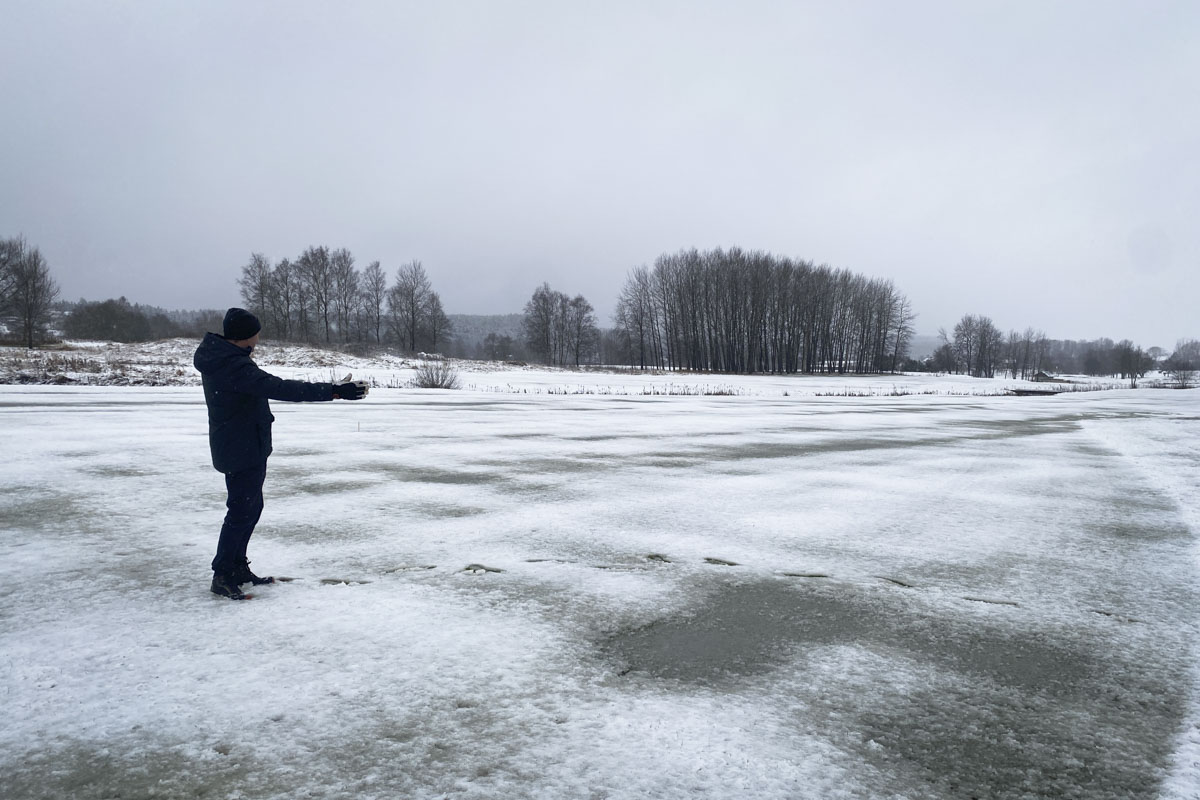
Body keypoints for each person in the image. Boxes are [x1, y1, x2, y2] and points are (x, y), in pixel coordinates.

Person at [193, 308, 369, 600]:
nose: (259, 338)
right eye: (256, 333)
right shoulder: (232, 366)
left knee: (251, 508)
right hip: (240, 447)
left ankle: (236, 566)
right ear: (246, 336)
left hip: (245, 444)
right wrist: (334, 391)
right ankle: (223, 573)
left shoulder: (227, 359)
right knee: (241, 511)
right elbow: (280, 387)